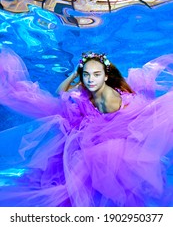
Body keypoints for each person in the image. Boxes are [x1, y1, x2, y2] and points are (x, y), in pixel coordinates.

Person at [0, 47, 173, 207]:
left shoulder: (108, 97)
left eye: (96, 75)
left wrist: (88, 134)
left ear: (105, 76)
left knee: (95, 185)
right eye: (87, 75)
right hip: (86, 134)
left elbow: (115, 125)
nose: (90, 79)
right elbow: (61, 92)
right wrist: (75, 74)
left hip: (107, 146)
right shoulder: (87, 91)